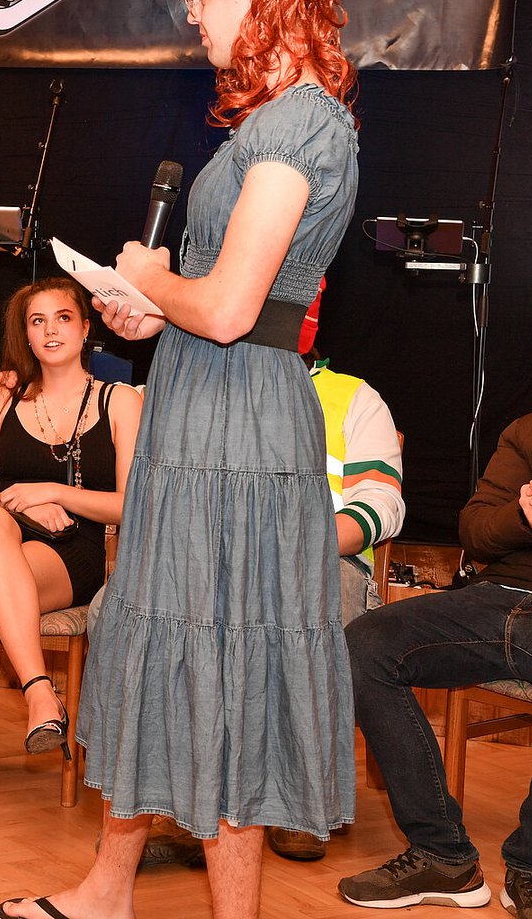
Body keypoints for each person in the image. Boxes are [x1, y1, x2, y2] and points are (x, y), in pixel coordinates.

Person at [0, 0, 360, 919]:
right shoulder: (273, 122)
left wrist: (154, 279)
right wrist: (154, 308)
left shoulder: (297, 127)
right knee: (177, 644)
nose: (193, 14)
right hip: (208, 407)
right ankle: (108, 890)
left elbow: (235, 308)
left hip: (236, 428)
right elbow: (240, 302)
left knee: (224, 661)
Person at [339, 308, 532, 919]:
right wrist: (524, 518)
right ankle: (442, 855)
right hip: (495, 599)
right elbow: (475, 531)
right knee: (362, 644)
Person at [138, 293, 405, 866]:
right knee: (126, 605)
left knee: (309, 607)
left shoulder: (354, 397)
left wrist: (294, 546)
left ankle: (291, 797)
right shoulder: (195, 383)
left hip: (318, 560)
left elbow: (382, 503)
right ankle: (184, 796)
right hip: (204, 560)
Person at [0, 278, 140, 841]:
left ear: (86, 328)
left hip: (69, 549)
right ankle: (39, 690)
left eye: (63, 318)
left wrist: (56, 493)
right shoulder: (4, 398)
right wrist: (16, 502)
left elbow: (132, 502)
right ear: (25, 335)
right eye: (37, 321)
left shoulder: (120, 401)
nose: (50, 330)